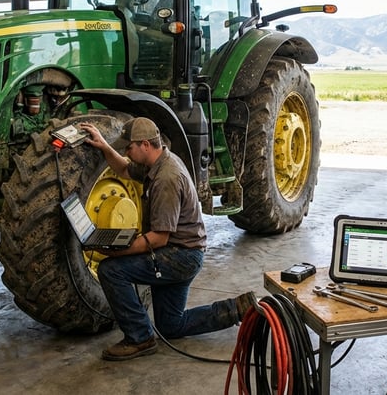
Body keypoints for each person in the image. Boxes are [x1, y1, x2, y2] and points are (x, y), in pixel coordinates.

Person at [79, 117, 255, 361]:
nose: (126, 152)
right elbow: (123, 169)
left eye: (128, 147)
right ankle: (235, 309)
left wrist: (115, 251)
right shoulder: (159, 161)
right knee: (170, 325)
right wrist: (104, 146)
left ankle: (140, 338)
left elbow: (159, 239)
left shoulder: (166, 178)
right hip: (185, 250)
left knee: (111, 270)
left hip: (179, 256)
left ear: (144, 145)